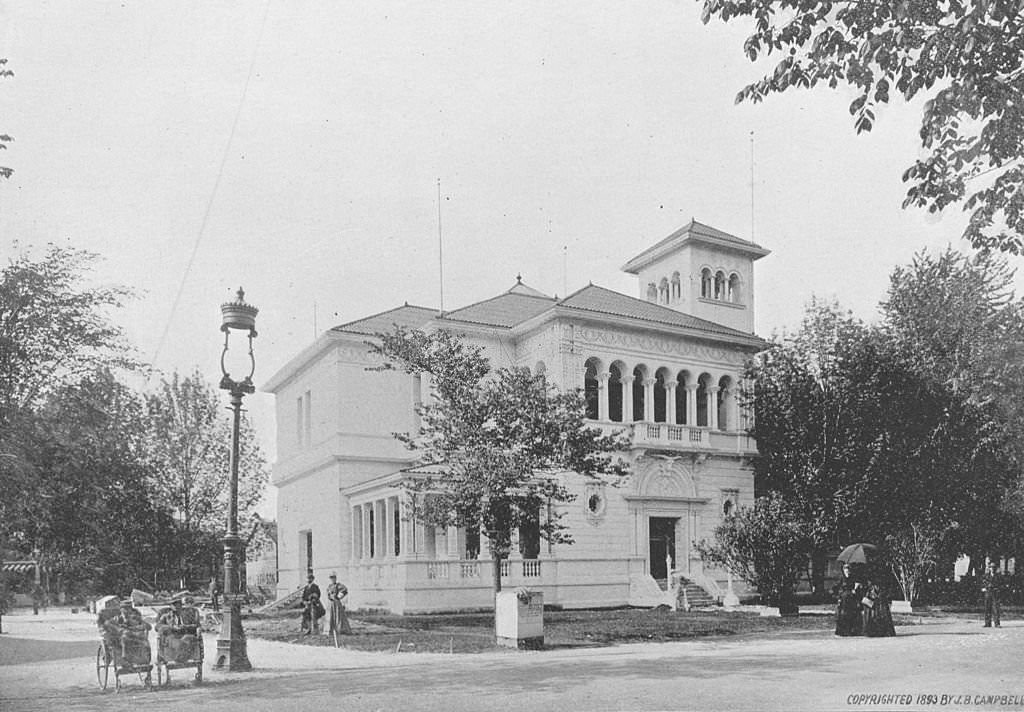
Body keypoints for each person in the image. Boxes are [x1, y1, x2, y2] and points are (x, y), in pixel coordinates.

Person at [103, 599, 151, 665]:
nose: (127, 611)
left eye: (129, 609)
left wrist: (136, 627)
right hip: (120, 640)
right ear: (121, 609)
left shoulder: (135, 618)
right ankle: (124, 656)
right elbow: (107, 623)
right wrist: (118, 629)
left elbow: (148, 626)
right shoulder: (117, 618)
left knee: (144, 642)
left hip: (135, 638)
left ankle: (144, 660)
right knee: (124, 636)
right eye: (125, 609)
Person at [156, 595, 201, 664]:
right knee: (178, 643)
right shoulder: (166, 616)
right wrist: (172, 627)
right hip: (172, 637)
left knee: (189, 639)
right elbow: (157, 627)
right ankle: (179, 659)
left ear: (181, 605)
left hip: (185, 635)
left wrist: (186, 626)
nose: (176, 606)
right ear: (171, 606)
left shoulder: (187, 615)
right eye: (174, 604)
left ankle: (183, 657)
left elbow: (196, 625)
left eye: (178, 604)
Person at [832, 563, 865, 636]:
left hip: (851, 599)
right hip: (844, 599)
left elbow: (857, 588)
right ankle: (843, 631)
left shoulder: (853, 578)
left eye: (848, 570)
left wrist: (855, 589)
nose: (847, 572)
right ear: (843, 571)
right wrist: (839, 594)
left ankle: (852, 630)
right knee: (843, 615)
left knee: (852, 614)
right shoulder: (841, 578)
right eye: (845, 570)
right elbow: (835, 588)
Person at [861, 570, 896, 637]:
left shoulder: (879, 576)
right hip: (874, 591)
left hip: (878, 591)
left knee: (880, 608)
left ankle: (879, 630)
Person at [981, 561, 1002, 628]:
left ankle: (997, 623)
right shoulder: (986, 576)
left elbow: (1001, 585)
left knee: (996, 609)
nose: (992, 568)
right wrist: (983, 588)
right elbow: (983, 584)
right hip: (988, 593)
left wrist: (997, 589)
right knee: (987, 608)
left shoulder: (998, 576)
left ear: (996, 568)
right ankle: (987, 623)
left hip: (995, 594)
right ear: (989, 568)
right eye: (991, 567)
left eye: (994, 567)